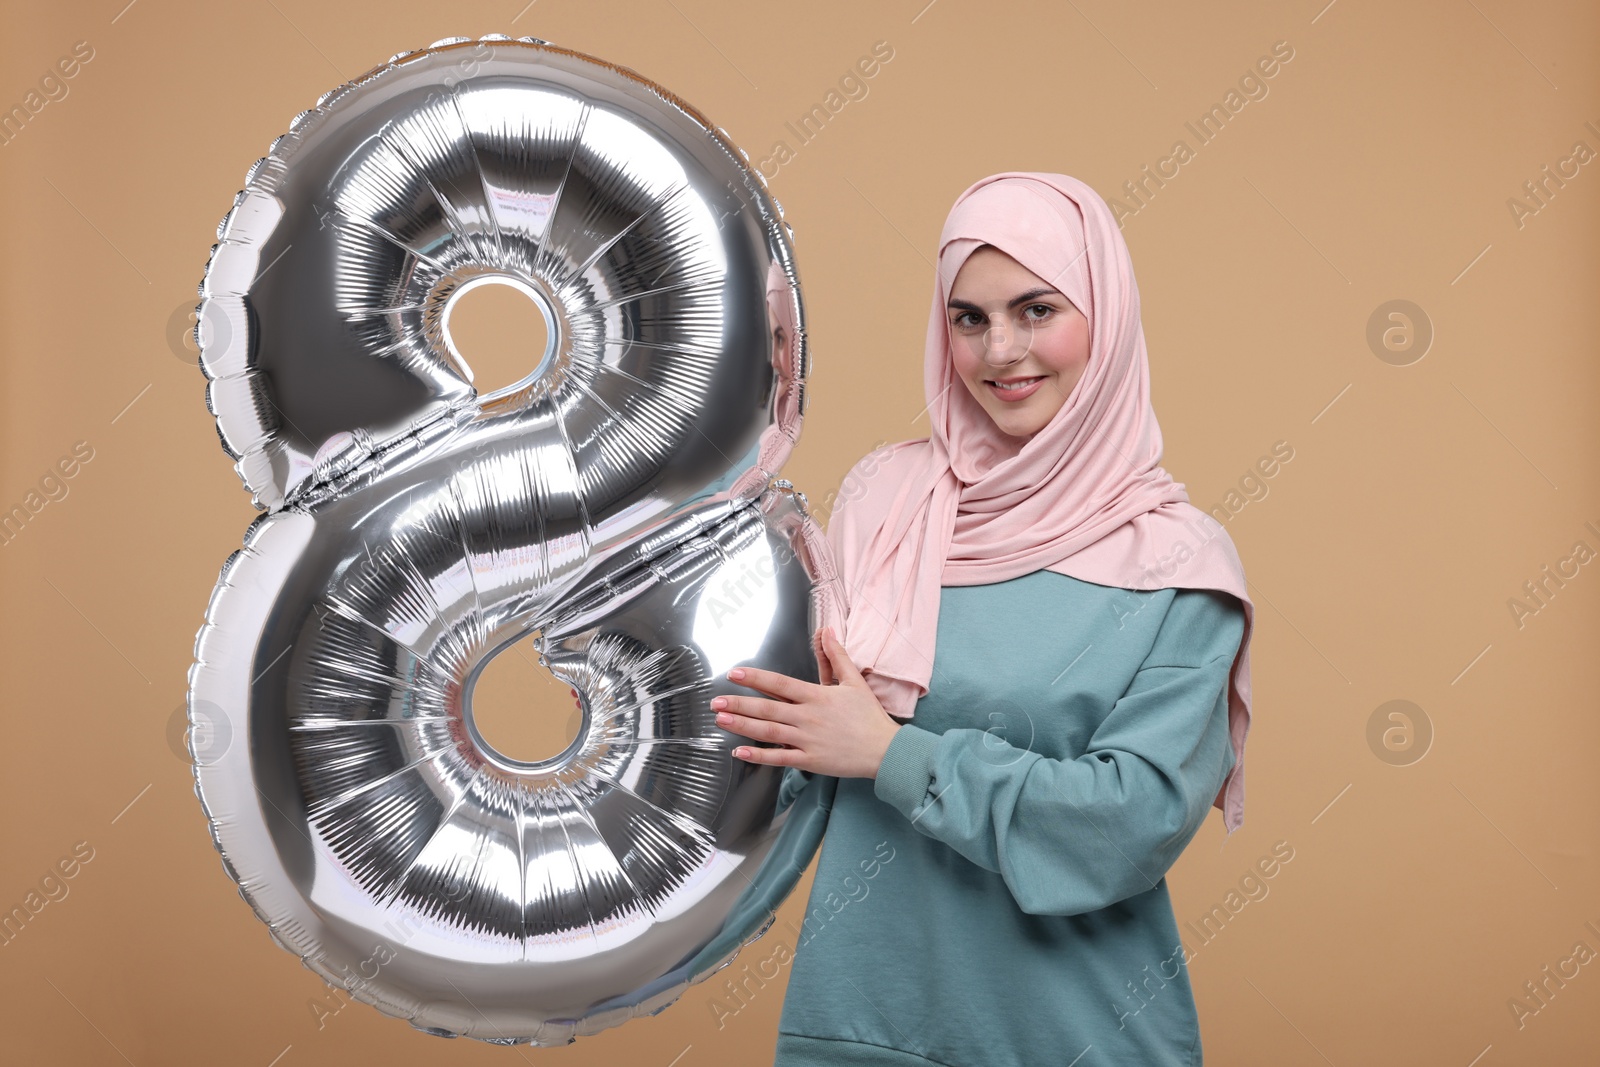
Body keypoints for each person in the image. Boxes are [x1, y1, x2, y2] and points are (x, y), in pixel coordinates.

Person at [710, 172, 1257, 1066]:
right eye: (970, 318)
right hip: (863, 1027)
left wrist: (891, 753)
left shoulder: (1178, 568)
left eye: (1037, 309)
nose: (1001, 350)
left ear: (1106, 316)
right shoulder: (884, 505)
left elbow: (1125, 827)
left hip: (1073, 1038)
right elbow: (778, 760)